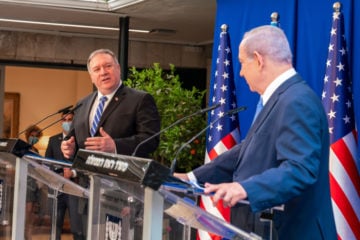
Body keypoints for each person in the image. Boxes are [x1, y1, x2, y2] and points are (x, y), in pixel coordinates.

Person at [175, 25, 337, 240]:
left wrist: (245, 188)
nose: (240, 72)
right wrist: (192, 177)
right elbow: (249, 149)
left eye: (242, 63)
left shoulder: (297, 101)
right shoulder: (280, 98)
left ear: (259, 60)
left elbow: (299, 169)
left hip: (293, 232)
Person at [61, 48, 161, 238]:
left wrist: (114, 145)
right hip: (88, 192)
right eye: (97, 69)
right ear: (91, 76)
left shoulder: (139, 99)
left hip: (123, 195)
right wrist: (68, 147)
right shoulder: (82, 104)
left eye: (108, 66)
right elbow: (73, 140)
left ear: (118, 68)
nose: (103, 72)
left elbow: (151, 140)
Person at [45, 110, 85, 240]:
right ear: (61, 122)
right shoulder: (53, 140)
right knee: (55, 226)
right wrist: (58, 173)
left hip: (74, 189)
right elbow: (47, 162)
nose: (67, 122)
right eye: (64, 119)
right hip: (56, 189)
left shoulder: (81, 141)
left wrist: (72, 173)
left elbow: (85, 164)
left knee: (77, 228)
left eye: (70, 119)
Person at [24, 125, 43, 240]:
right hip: (25, 182)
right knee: (27, 210)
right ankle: (25, 233)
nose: (34, 138)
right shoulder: (22, 147)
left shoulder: (36, 151)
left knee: (32, 213)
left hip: (34, 184)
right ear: (28, 135)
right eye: (32, 136)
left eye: (36, 136)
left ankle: (28, 234)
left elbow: (40, 167)